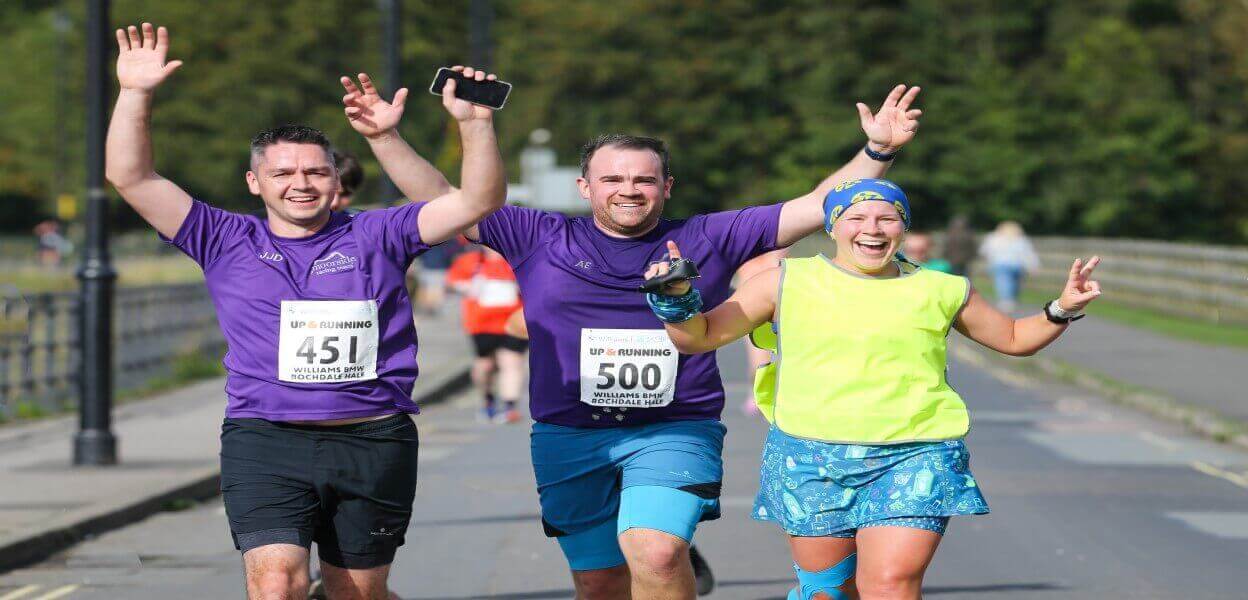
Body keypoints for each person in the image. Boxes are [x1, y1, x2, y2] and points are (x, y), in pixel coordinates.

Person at [364, 77, 922, 597]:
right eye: (612, 179)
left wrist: (876, 152)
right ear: (585, 186)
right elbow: (442, 201)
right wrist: (385, 137)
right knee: (601, 584)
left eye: (643, 179)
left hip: (674, 425)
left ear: (666, 187)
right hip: (569, 432)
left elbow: (815, 205)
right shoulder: (538, 234)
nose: (628, 190)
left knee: (654, 553)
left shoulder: (707, 235)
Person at [105, 23, 505, 600]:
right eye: (283, 173)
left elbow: (476, 202)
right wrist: (136, 94)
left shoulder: (379, 231)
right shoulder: (220, 236)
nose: (301, 184)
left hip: (374, 439)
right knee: (276, 584)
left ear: (334, 180)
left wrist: (474, 126)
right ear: (254, 182)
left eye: (316, 172)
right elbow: (131, 176)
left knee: (355, 594)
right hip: (266, 439)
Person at [642, 179, 1102, 600]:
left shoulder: (942, 289)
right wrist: (675, 295)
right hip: (810, 455)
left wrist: (1062, 308)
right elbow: (697, 336)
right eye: (856, 218)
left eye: (887, 218)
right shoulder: (786, 282)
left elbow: (1015, 339)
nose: (872, 229)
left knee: (890, 585)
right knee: (828, 591)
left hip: (915, 453)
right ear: (834, 226)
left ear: (904, 227)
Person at [446, 244, 527, 424]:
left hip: (514, 322)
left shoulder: (519, 259)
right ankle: (487, 400)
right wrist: (466, 287)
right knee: (485, 365)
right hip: (482, 324)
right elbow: (452, 282)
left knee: (512, 361)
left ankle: (510, 408)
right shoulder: (470, 261)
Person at [733, 248, 789, 416]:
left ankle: (783, 397)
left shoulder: (775, 254)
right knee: (757, 362)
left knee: (783, 360)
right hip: (749, 314)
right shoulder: (743, 253)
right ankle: (755, 394)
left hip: (778, 313)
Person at [979, 220, 1040, 312]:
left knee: (1003, 282)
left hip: (1000, 264)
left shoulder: (994, 237)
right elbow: (1028, 254)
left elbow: (984, 251)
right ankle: (1011, 299)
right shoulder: (1021, 239)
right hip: (1016, 266)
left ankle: (1007, 300)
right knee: (1014, 283)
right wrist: (1033, 266)